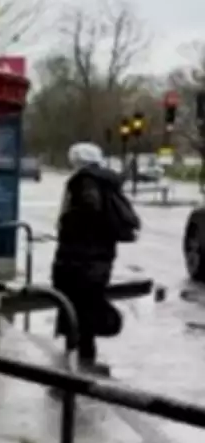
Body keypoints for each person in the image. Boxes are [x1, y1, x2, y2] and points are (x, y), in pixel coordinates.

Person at [52, 142, 141, 376]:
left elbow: (88, 209)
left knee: (74, 302)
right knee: (89, 300)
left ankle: (79, 354)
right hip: (101, 253)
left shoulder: (85, 180)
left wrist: (68, 225)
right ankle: (86, 349)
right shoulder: (107, 180)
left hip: (79, 254)